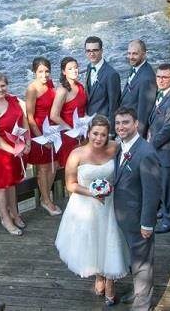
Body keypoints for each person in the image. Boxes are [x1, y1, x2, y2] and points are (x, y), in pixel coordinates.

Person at [55, 115, 129, 307]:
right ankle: (99, 274)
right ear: (88, 133)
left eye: (103, 135)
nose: (98, 138)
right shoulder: (76, 154)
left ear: (108, 136)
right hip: (86, 205)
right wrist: (91, 192)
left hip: (110, 203)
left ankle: (110, 281)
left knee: (111, 240)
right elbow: (70, 185)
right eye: (95, 133)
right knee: (94, 241)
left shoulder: (115, 147)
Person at [113, 107, 161, 311]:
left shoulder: (146, 152)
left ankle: (143, 304)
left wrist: (147, 223)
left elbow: (152, 192)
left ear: (136, 124)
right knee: (134, 259)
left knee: (142, 262)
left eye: (125, 122)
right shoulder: (120, 146)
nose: (120, 127)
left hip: (139, 218)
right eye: (117, 123)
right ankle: (137, 291)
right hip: (124, 216)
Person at [0, 72, 30, 236]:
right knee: (1, 186)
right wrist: (13, 150)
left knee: (12, 183)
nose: (0, 89)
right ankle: (5, 218)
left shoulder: (13, 100)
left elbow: (24, 121)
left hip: (16, 146)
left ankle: (15, 213)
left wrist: (27, 142)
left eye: (3, 86)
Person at [146, 63, 170, 234]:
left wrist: (150, 145)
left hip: (167, 151)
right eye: (159, 76)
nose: (161, 80)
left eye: (165, 77)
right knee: (162, 184)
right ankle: (165, 211)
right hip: (159, 150)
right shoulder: (161, 95)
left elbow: (169, 128)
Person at [25, 57, 61, 216]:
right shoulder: (32, 89)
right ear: (34, 72)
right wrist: (42, 139)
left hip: (52, 129)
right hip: (39, 131)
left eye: (47, 71)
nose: (44, 75)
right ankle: (46, 200)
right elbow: (30, 117)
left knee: (55, 163)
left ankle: (47, 196)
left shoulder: (51, 84)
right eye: (40, 71)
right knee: (43, 168)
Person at [50, 56, 87, 167]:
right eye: (70, 68)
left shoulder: (80, 86)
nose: (74, 70)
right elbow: (54, 115)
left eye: (76, 67)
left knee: (83, 166)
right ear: (63, 72)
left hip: (82, 132)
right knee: (70, 167)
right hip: (68, 134)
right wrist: (72, 131)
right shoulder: (62, 90)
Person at [118, 39, 156, 137]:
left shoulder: (147, 78)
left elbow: (144, 113)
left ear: (144, 54)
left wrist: (137, 139)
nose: (131, 57)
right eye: (129, 53)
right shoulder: (136, 67)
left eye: (135, 54)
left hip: (133, 131)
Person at [84, 36, 121, 126]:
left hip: (103, 125)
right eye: (88, 51)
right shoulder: (89, 67)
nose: (91, 54)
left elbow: (114, 106)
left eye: (95, 50)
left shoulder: (111, 74)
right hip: (89, 122)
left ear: (101, 50)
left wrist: (111, 132)